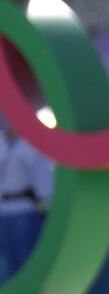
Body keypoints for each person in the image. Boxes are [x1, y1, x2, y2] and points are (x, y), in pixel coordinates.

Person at [0, 119, 53, 283]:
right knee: (8, 261)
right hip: (3, 210)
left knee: (25, 260)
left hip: (24, 210)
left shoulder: (30, 146)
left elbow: (44, 183)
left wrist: (46, 206)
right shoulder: (2, 143)